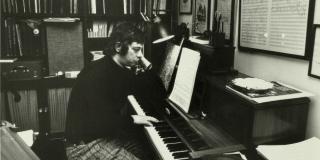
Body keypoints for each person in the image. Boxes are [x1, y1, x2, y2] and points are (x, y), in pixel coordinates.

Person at [65, 22, 165, 160]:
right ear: (118, 47)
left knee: (151, 153)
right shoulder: (97, 74)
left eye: (141, 50)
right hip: (83, 146)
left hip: (106, 135)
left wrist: (146, 64)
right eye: (136, 50)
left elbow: (151, 88)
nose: (140, 55)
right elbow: (101, 122)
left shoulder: (120, 69)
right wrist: (134, 119)